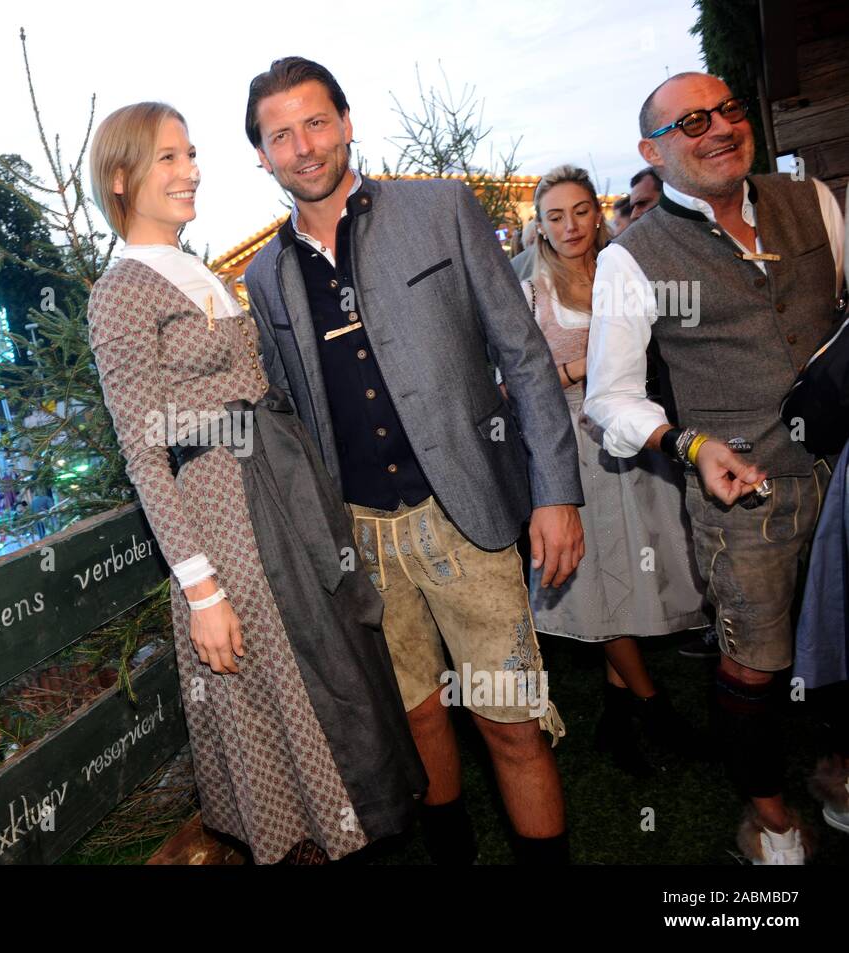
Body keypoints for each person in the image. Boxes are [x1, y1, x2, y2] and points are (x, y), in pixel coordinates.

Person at [242, 57, 583, 865]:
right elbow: (286, 411)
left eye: (315, 122)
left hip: (466, 512)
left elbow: (525, 357)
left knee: (507, 718)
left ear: (347, 122)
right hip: (360, 535)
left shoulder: (439, 209)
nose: (303, 146)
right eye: (279, 135)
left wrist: (556, 492)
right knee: (418, 717)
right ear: (261, 156)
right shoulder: (265, 275)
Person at [86, 101, 426, 864]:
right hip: (226, 528)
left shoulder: (191, 266)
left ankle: (372, 831)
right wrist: (202, 590)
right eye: (169, 158)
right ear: (121, 176)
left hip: (281, 497)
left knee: (336, 680)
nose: (191, 170)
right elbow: (144, 452)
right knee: (296, 715)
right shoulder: (122, 291)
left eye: (191, 154)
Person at [584, 71, 847, 864]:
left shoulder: (817, 202)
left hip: (845, 470)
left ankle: (837, 769)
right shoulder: (631, 257)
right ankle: (768, 814)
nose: (720, 127)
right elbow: (610, 398)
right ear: (653, 152)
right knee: (756, 661)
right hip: (746, 496)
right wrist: (690, 446)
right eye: (691, 121)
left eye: (728, 109)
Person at [523, 164, 708, 776]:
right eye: (555, 216)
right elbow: (514, 385)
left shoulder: (624, 268)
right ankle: (655, 708)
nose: (570, 225)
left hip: (634, 434)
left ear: (595, 214)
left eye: (580, 211)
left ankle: (617, 719)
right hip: (573, 442)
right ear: (541, 227)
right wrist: (583, 371)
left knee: (627, 572)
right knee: (599, 574)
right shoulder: (532, 290)